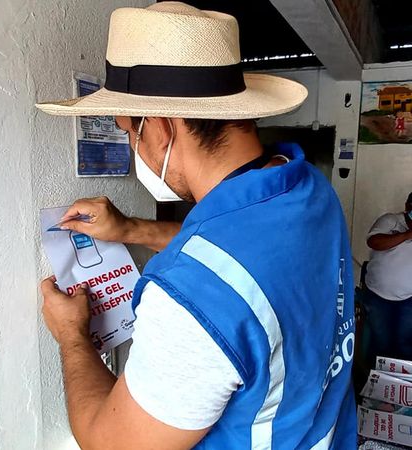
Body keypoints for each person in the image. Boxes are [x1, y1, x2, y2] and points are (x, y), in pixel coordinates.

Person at [36, 3, 356, 449]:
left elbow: (110, 443)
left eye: (129, 130)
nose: (134, 146)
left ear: (161, 128)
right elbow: (235, 257)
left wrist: (71, 335)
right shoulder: (308, 189)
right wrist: (130, 229)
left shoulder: (189, 300)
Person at [361, 192, 412, 365]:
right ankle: (375, 378)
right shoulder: (391, 220)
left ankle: (401, 379)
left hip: (408, 297)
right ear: (407, 206)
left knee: (405, 342)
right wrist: (407, 235)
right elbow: (374, 242)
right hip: (378, 294)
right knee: (381, 341)